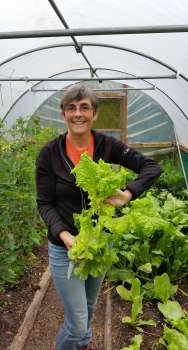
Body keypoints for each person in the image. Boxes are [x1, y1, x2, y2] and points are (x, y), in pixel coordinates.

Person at [35, 84, 161, 350]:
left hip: (101, 245)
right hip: (66, 248)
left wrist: (128, 194)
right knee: (77, 322)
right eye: (71, 108)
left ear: (95, 114)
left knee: (90, 304)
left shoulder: (106, 145)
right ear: (63, 114)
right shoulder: (49, 153)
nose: (77, 113)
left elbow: (151, 167)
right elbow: (45, 204)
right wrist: (65, 235)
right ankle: (78, 338)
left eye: (84, 107)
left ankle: (84, 343)